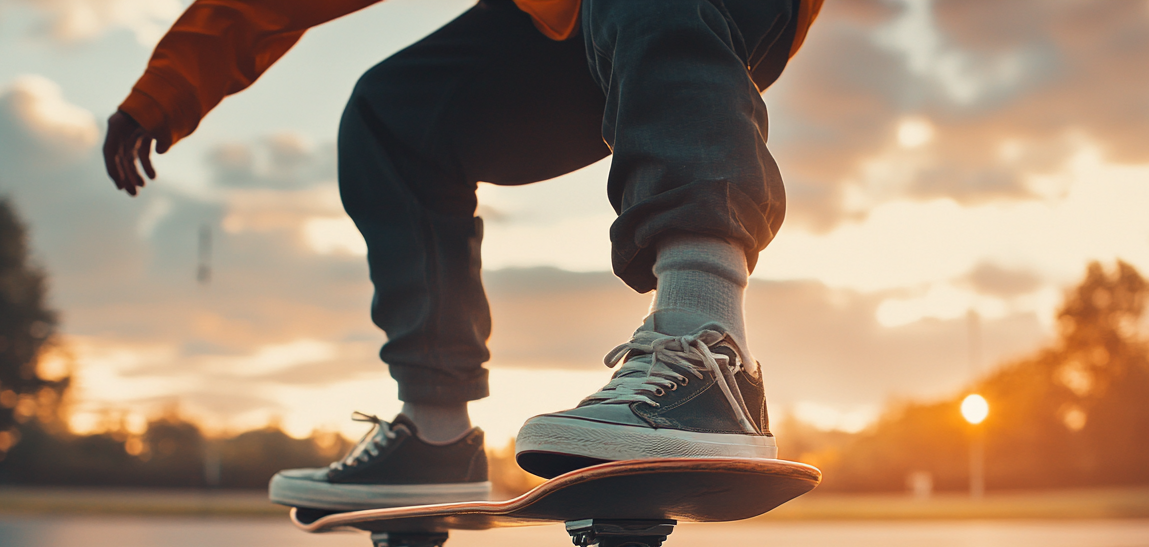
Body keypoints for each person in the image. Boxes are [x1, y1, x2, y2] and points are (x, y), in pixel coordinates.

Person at [104, 0, 823, 509]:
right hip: (567, 23)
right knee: (392, 117)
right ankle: (435, 433)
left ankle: (705, 350)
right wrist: (170, 83)